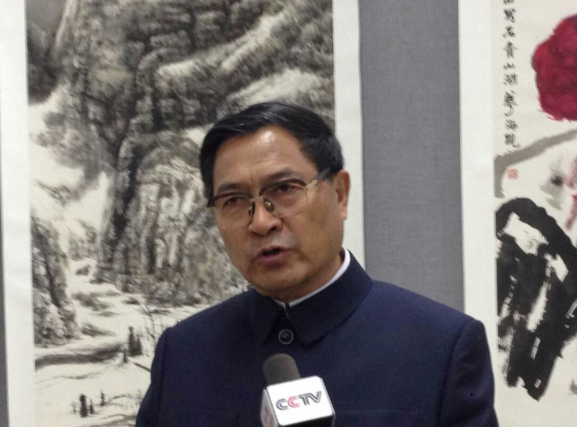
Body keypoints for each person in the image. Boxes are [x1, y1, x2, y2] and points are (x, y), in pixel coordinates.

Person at [136, 102, 499, 426]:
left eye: (284, 189)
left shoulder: (440, 346)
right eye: (233, 200)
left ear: (339, 194)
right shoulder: (182, 353)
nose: (261, 222)